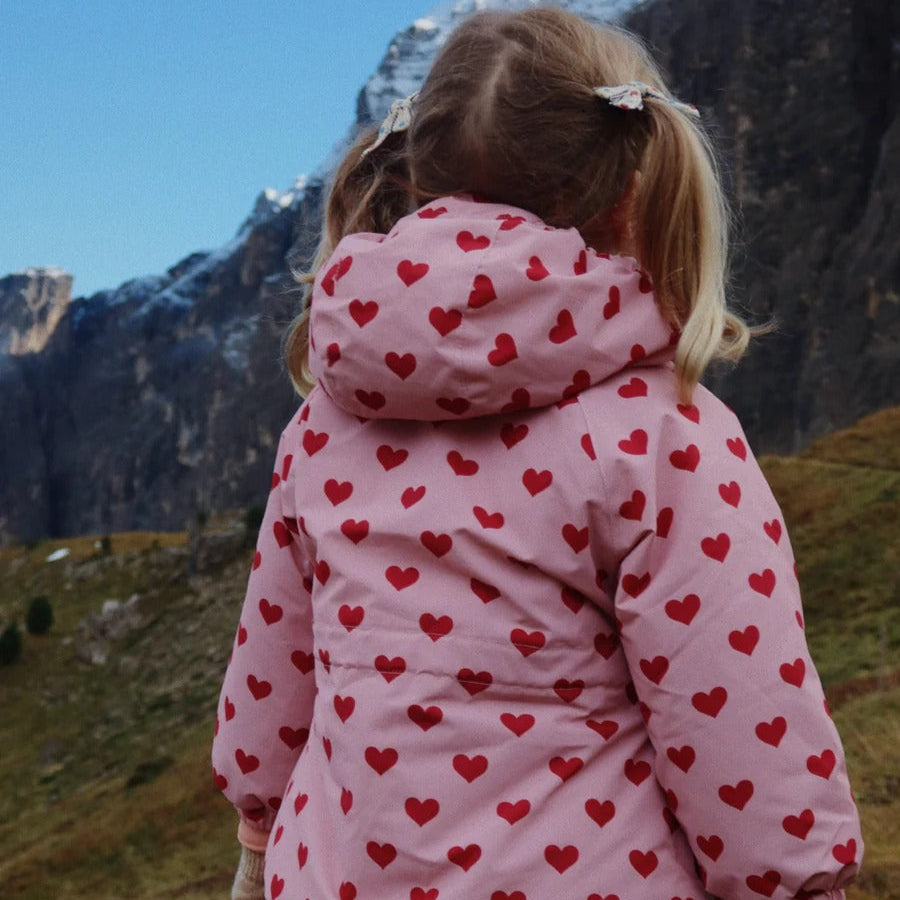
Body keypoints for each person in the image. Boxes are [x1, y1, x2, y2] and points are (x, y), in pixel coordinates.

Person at [212, 8, 863, 899]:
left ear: (412, 172)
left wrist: (257, 833)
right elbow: (743, 720)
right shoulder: (664, 432)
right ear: (632, 190)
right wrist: (796, 880)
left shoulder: (324, 422)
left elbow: (272, 676)